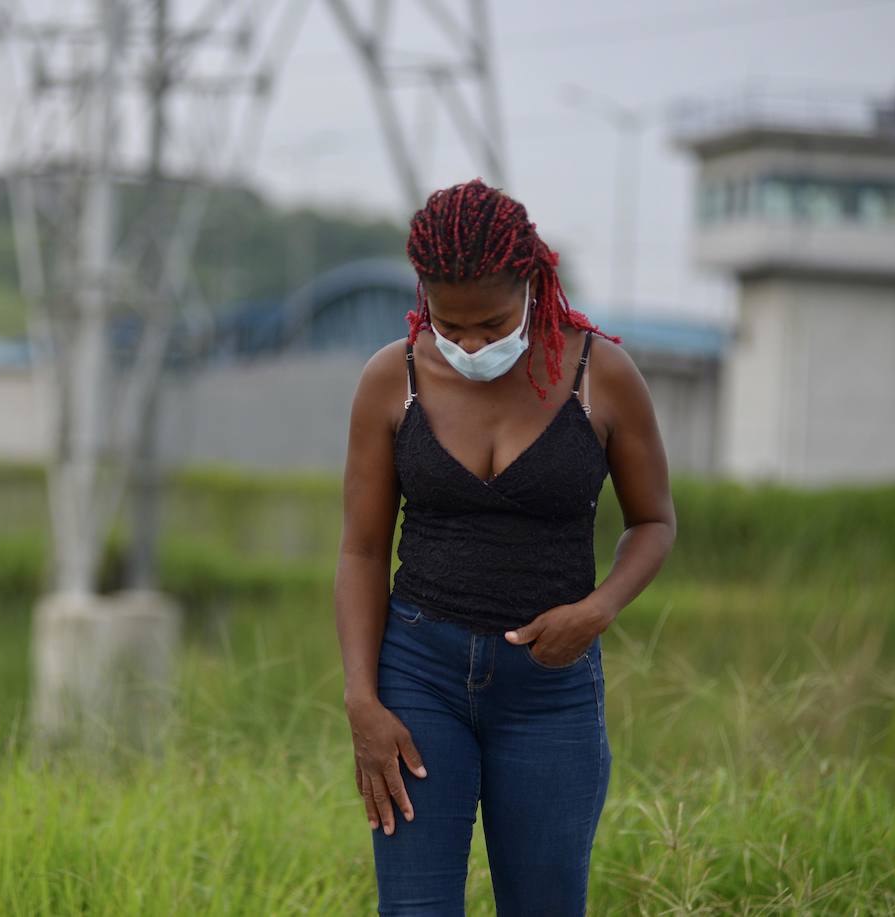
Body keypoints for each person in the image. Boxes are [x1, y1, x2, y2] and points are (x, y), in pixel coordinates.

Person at [335, 178, 676, 915]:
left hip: (550, 692)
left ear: (533, 280)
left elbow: (653, 521)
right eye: (448, 325)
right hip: (418, 680)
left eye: (491, 325)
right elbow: (361, 551)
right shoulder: (389, 380)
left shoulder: (602, 376)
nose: (469, 346)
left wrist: (599, 607)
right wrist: (362, 698)